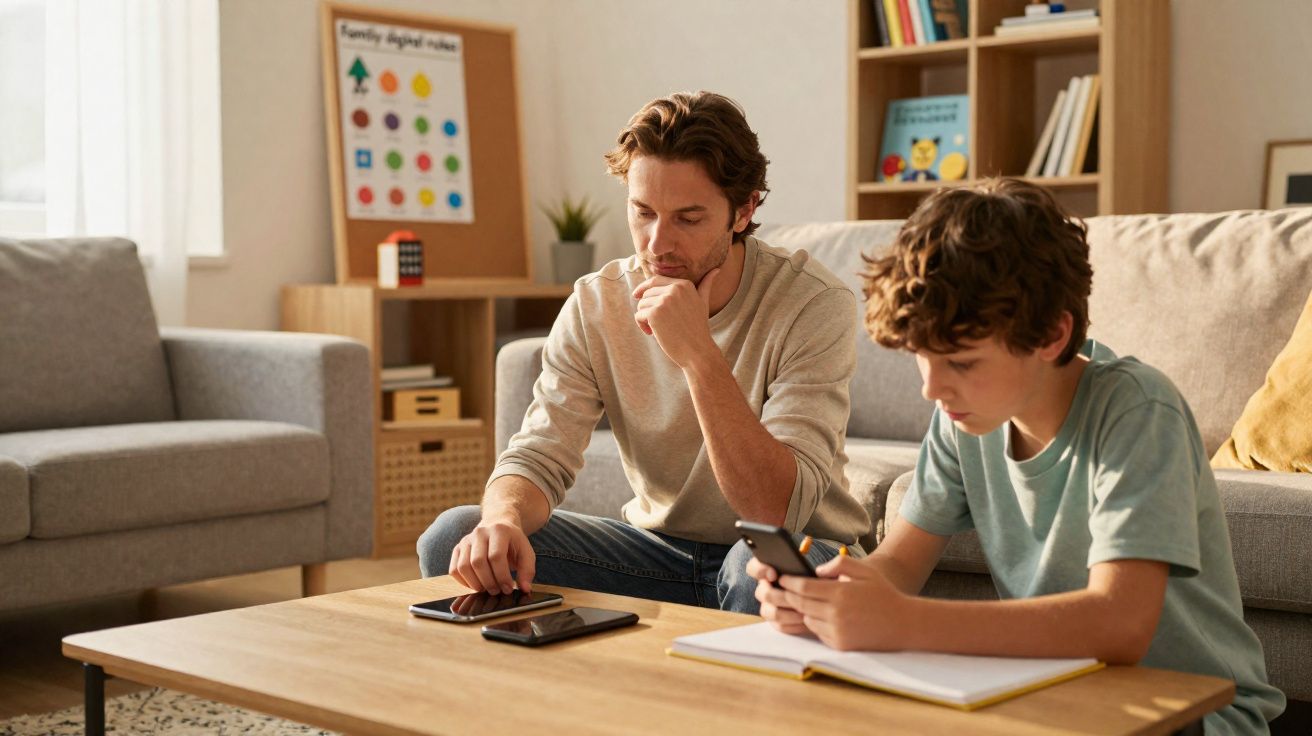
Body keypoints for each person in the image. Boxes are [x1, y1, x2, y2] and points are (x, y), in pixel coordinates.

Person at [748, 179, 1285, 733]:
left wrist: (903, 623)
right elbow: (901, 567)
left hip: (1190, 715)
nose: (932, 390)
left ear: (1052, 335)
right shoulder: (963, 420)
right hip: (1051, 694)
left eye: (961, 362)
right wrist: (833, 596)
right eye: (921, 358)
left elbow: (1121, 625)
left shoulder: (1138, 412)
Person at [417, 91, 870, 612]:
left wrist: (698, 355)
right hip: (657, 555)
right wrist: (502, 520)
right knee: (456, 536)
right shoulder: (597, 301)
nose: (657, 243)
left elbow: (773, 514)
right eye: (643, 212)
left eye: (688, 218)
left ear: (743, 210)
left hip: (793, 549)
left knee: (757, 572)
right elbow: (541, 451)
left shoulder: (812, 303)